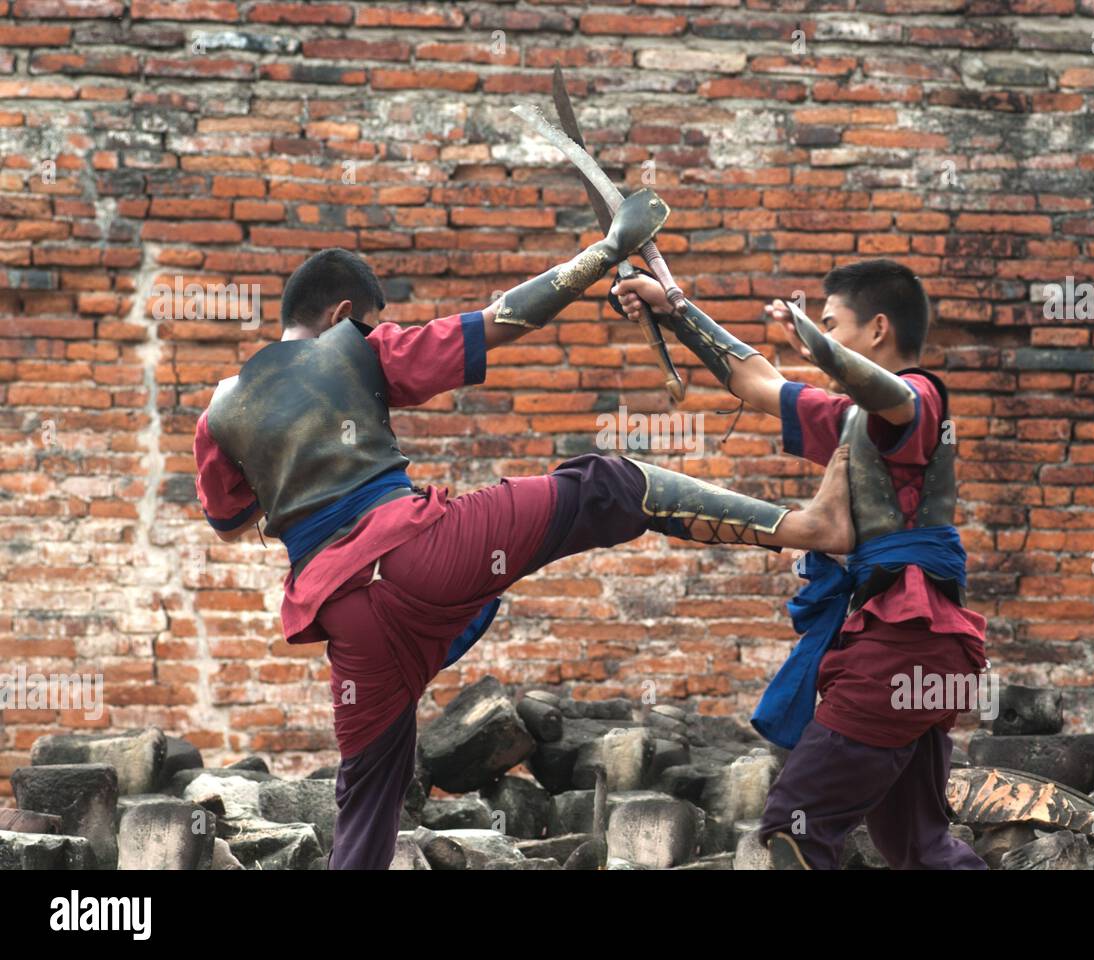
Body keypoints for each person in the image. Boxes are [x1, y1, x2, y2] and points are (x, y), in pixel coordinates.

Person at [192, 188, 855, 868]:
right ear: (341, 316)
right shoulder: (355, 348)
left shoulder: (218, 415)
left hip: (344, 613)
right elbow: (503, 320)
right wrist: (605, 251)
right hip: (425, 552)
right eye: (368, 323)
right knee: (609, 485)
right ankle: (809, 527)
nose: (368, 333)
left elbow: (230, 521)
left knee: (367, 794)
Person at [613, 259, 989, 869]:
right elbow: (756, 382)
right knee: (918, 847)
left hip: (904, 639)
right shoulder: (852, 420)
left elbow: (888, 394)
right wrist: (673, 308)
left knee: (797, 823)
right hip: (922, 649)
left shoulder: (921, 397)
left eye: (831, 324)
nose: (822, 336)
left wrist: (820, 350)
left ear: (878, 330)